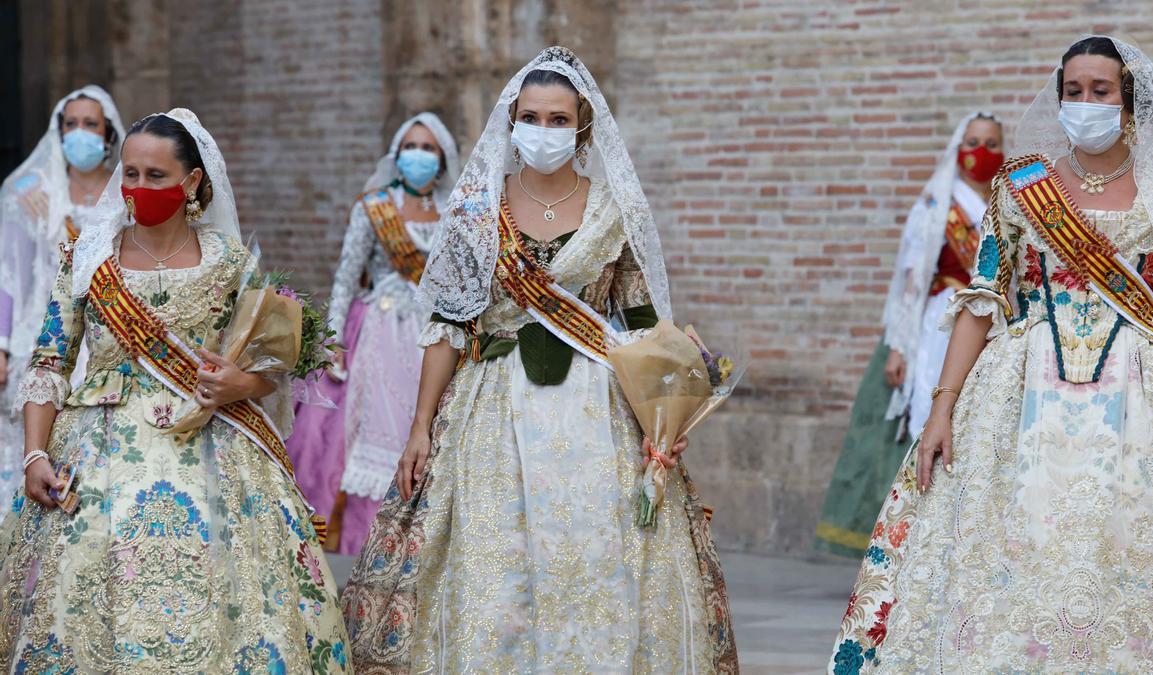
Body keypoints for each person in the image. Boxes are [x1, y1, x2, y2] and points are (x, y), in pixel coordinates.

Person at [340, 46, 737, 673]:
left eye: (558, 119)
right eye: (532, 117)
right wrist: (419, 426)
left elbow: (641, 325)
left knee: (595, 557)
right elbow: (447, 326)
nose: (544, 131)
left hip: (598, 413)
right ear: (511, 121)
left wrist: (668, 419)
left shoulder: (612, 211)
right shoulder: (477, 208)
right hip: (490, 407)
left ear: (581, 128)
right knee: (495, 561)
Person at [831, 36, 1153, 672]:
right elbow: (982, 300)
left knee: (1129, 547)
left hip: (1142, 401)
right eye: (1073, 91)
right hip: (1019, 393)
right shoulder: (1021, 188)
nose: (1084, 103)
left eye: (1100, 91)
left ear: (1129, 102)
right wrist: (941, 409)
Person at [0, 109, 349, 672]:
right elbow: (49, 361)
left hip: (214, 447)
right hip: (100, 446)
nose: (138, 189)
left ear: (191, 181)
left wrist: (242, 383)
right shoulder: (87, 258)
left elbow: (272, 364)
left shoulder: (231, 263)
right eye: (130, 174)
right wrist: (35, 453)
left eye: (155, 176)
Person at [815, 112, 1004, 558]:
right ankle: (911, 534)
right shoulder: (938, 206)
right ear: (957, 148)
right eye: (973, 141)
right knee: (924, 418)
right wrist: (899, 345)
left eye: (993, 143)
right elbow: (911, 280)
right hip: (937, 325)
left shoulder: (1004, 202)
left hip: (992, 323)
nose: (982, 152)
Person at [287, 112, 460, 555]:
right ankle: (363, 539)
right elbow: (346, 277)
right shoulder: (374, 207)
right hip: (378, 332)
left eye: (428, 148)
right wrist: (332, 342)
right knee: (369, 431)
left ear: (442, 160)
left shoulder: (455, 212)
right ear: (396, 154)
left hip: (432, 335)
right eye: (410, 147)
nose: (417, 156)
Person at [0, 86, 125, 519]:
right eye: (70, 124)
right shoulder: (28, 192)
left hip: (108, 337)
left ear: (109, 133)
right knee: (32, 445)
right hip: (40, 335)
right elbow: (7, 272)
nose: (80, 133)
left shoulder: (128, 190)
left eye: (91, 124)